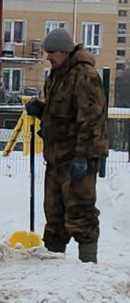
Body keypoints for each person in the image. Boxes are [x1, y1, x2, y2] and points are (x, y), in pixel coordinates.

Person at [24, 28, 109, 263]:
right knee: (54, 214)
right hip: (56, 157)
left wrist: (84, 156)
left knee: (80, 211)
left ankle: (87, 265)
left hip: (77, 157)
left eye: (52, 52)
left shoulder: (85, 76)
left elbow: (92, 119)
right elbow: (62, 115)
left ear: (65, 51)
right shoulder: (56, 76)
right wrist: (41, 111)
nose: (48, 57)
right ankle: (53, 262)